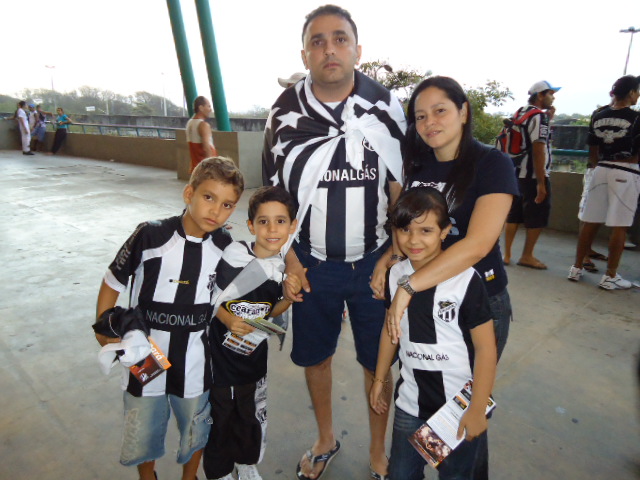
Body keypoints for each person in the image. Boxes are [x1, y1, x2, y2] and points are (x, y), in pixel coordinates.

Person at [262, 5, 406, 479]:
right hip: (311, 264)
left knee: (377, 363)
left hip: (373, 263)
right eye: (318, 41)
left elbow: (402, 194)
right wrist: (290, 261)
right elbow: (273, 198)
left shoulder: (385, 107)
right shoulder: (284, 113)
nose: (330, 49)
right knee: (316, 357)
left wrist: (392, 257)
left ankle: (379, 450)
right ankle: (325, 438)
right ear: (304, 53)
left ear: (357, 50)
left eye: (340, 39)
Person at [94, 156, 244, 480]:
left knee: (196, 426)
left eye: (228, 204)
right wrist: (103, 328)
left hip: (194, 357)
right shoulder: (150, 235)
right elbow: (112, 282)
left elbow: (224, 298)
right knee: (143, 425)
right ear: (188, 194)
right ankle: (147, 476)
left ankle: (189, 476)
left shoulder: (224, 245)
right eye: (209, 197)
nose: (216, 211)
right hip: (147, 354)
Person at [370, 187, 497, 480]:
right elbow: (391, 331)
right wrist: (380, 378)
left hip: (456, 408)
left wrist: (477, 408)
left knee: (455, 475)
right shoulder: (396, 275)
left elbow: (486, 348)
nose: (414, 240)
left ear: (445, 231)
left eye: (426, 230)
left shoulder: (465, 279)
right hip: (410, 404)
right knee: (402, 473)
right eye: (405, 229)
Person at [386, 76, 517, 359]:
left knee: (467, 396)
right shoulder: (415, 167)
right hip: (424, 294)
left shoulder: (493, 164)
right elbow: (404, 224)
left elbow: (478, 244)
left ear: (464, 111)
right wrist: (396, 260)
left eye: (440, 110)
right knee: (423, 385)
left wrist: (407, 286)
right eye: (421, 116)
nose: (429, 122)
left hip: (477, 297)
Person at [203, 186, 301, 480]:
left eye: (281, 221)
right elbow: (211, 298)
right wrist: (228, 319)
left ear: (292, 226)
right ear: (251, 226)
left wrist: (287, 298)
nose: (272, 229)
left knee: (250, 413)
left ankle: (246, 462)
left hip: (252, 358)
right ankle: (219, 471)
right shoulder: (234, 256)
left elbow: (271, 312)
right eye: (263, 221)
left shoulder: (281, 270)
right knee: (219, 416)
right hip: (218, 360)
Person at [568, 75, 640, 289]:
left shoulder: (598, 114)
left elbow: (592, 148)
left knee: (590, 222)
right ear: (630, 93)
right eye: (637, 91)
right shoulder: (636, 118)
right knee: (620, 226)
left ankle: (576, 267)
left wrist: (596, 168)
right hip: (626, 171)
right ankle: (610, 276)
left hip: (600, 169)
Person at [503, 80, 560, 270]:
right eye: (550, 94)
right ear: (540, 95)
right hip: (533, 175)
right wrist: (541, 183)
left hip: (515, 172)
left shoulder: (520, 112)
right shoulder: (539, 117)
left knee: (514, 214)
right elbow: (538, 149)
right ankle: (527, 255)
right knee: (537, 214)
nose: (553, 97)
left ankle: (507, 254)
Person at [186, 96, 217, 173]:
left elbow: (192, 148)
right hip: (205, 169)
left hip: (196, 168)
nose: (210, 109)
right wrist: (210, 169)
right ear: (201, 108)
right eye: (208, 106)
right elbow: (207, 148)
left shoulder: (190, 123)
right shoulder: (203, 125)